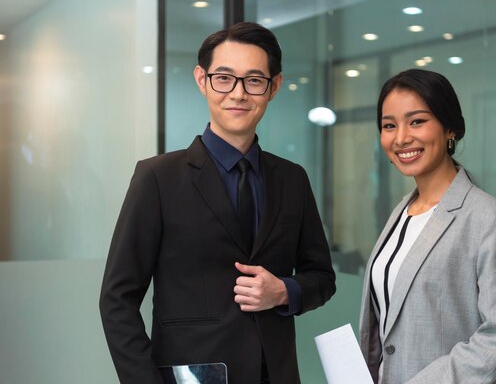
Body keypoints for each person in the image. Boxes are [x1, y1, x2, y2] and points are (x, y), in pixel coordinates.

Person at [99, 22, 336, 384]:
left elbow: (321, 276)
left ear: (274, 87)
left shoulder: (292, 179)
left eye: (254, 80)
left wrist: (284, 291)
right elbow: (117, 299)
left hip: (275, 373)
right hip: (190, 376)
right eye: (224, 78)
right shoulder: (157, 178)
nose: (238, 94)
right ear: (202, 79)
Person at [359, 69, 496, 383]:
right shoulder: (402, 212)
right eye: (389, 126)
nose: (401, 137)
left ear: (450, 128)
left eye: (417, 121)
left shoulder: (487, 217)